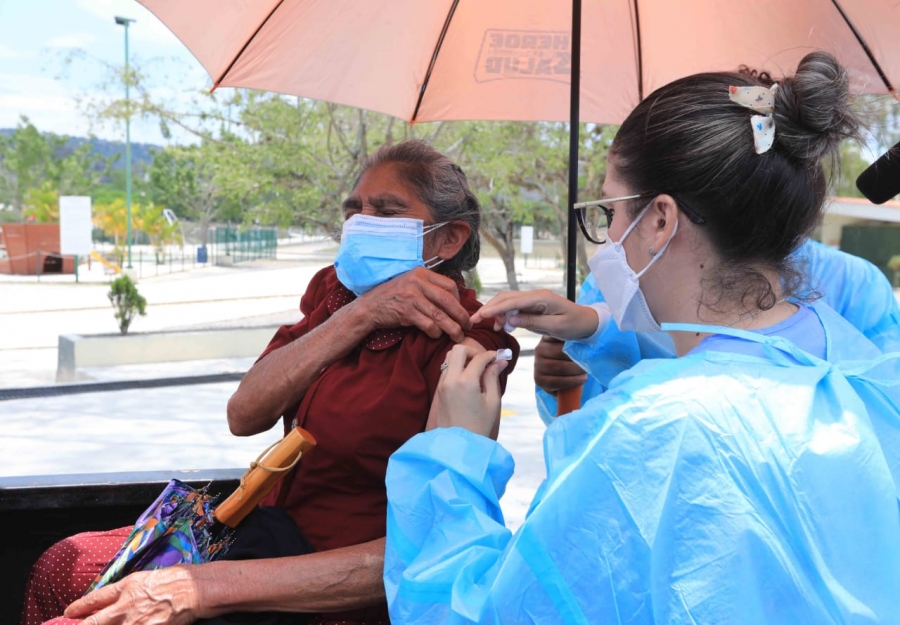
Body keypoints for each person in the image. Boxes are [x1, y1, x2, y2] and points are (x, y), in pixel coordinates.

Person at [383, 53, 900, 623]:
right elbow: (746, 372)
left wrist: (452, 453)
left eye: (609, 212)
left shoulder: (651, 430)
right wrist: (599, 325)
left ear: (658, 221)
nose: (607, 239)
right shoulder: (855, 362)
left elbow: (482, 612)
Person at [21, 141, 519, 625]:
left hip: (337, 585)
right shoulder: (339, 298)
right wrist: (363, 315)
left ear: (448, 239)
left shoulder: (467, 343)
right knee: (62, 566)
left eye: (386, 213)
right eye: (354, 212)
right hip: (264, 532)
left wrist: (204, 591)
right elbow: (245, 414)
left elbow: (429, 544)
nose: (361, 225)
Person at [535, 239, 900, 422]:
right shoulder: (617, 280)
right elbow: (583, 416)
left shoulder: (854, 283)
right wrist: (565, 370)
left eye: (612, 210)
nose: (610, 234)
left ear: (661, 214)